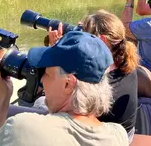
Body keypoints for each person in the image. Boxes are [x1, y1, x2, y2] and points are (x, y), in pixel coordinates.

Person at [0, 32, 128, 146]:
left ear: (68, 84)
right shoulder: (118, 135)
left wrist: (2, 98)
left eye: (46, 73)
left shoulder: (22, 127)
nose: (42, 80)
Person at [45, 10, 139, 142]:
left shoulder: (96, 77)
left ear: (102, 40)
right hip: (125, 134)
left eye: (87, 35)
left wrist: (57, 49)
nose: (82, 38)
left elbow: (61, 98)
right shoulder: (126, 61)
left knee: (40, 105)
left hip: (106, 139)